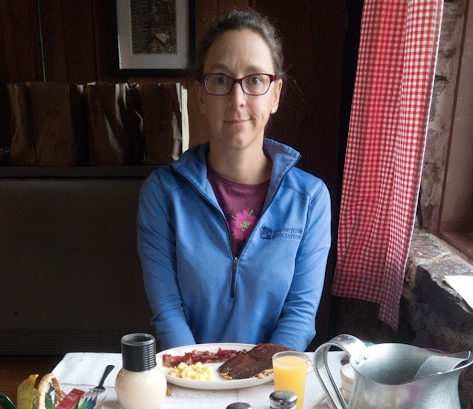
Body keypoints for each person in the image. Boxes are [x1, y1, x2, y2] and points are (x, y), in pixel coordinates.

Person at [137, 9, 331, 351]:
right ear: (200, 95)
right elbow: (168, 312)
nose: (237, 99)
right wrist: (199, 378)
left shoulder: (311, 198)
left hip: (271, 380)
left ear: (275, 95)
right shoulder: (163, 193)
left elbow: (299, 316)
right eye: (221, 80)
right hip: (186, 373)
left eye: (255, 80)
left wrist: (256, 381)